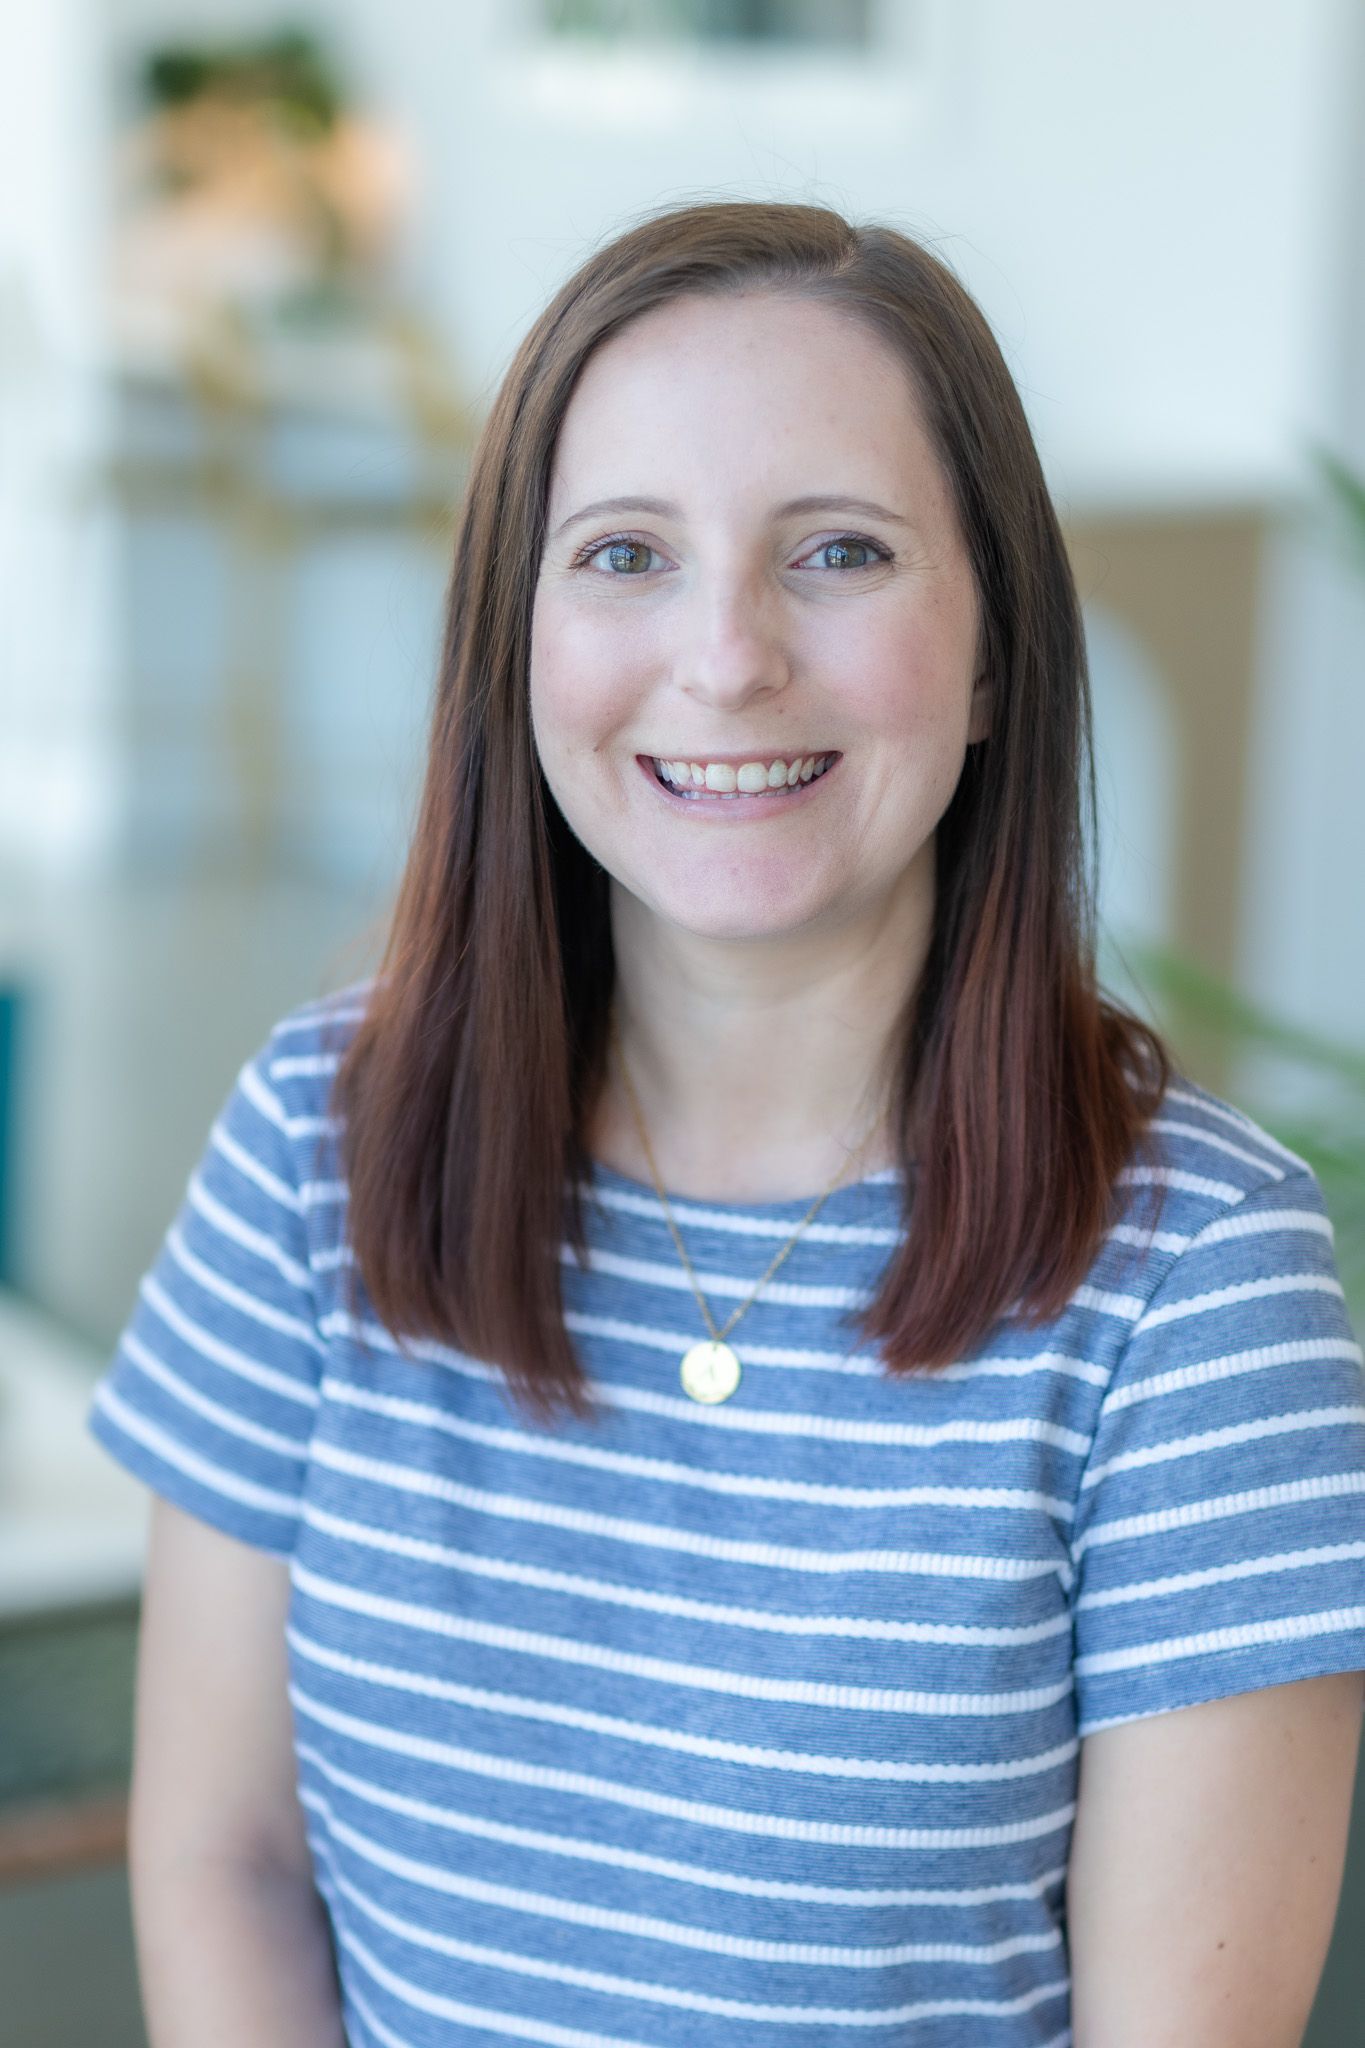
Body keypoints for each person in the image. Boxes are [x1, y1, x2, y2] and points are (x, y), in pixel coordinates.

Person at [86, 199, 1365, 2048]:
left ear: (997, 647)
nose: (727, 655)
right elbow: (225, 1861)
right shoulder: (319, 1141)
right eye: (623, 554)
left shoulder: (1194, 1281)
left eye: (835, 551)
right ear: (512, 646)